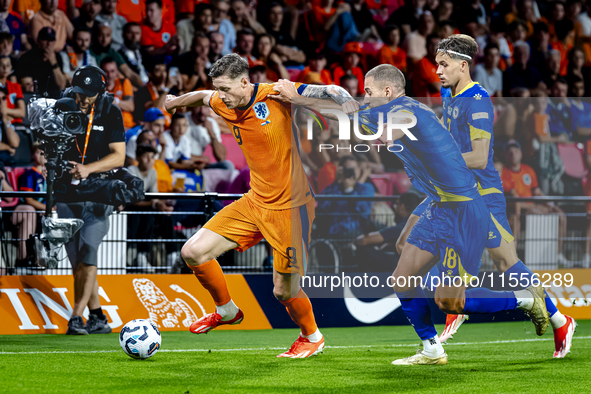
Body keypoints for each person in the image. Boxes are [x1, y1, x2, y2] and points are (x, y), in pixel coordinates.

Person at [273, 64, 549, 365]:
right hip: (438, 205)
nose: (365, 98)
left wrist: (297, 98)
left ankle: (526, 299)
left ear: (388, 92)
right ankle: (431, 349)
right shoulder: (392, 113)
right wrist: (299, 94)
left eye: (369, 92)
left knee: (449, 302)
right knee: (402, 280)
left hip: (462, 212)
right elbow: (344, 114)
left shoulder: (406, 111)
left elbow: (345, 117)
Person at [165, 53, 356, 358]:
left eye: (226, 89)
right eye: (219, 89)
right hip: (255, 202)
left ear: (245, 82)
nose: (221, 97)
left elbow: (330, 92)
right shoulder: (221, 100)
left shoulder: (277, 94)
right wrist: (174, 102)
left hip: (291, 208)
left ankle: (313, 336)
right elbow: (202, 96)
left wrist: (347, 104)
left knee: (283, 291)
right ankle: (226, 310)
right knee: (192, 252)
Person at [397, 35, 574, 358]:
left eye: (443, 64)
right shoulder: (447, 91)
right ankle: (447, 312)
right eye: (436, 63)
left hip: (480, 193)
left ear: (463, 66)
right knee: (403, 244)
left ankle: (559, 319)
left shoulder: (478, 101)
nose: (436, 70)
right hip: (450, 190)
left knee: (507, 261)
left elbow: (479, 157)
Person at [55, 65, 126, 335]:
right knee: (78, 260)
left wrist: (88, 168)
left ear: (101, 92)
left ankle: (76, 317)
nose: (83, 99)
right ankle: (98, 317)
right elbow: (48, 143)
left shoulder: (110, 112)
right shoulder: (62, 107)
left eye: (89, 94)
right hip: (66, 192)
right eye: (79, 93)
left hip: (98, 194)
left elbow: (119, 157)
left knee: (89, 252)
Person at [11, 143, 48, 267]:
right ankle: (23, 258)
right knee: (29, 211)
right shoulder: (29, 175)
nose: (42, 155)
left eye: (44, 153)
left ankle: (43, 259)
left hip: (45, 212)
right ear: (33, 155)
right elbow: (28, 200)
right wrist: (47, 208)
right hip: (26, 210)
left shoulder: (51, 177)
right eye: (39, 152)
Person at [16, 27, 67, 98]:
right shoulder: (27, 58)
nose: (48, 43)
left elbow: (61, 84)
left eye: (51, 40)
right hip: (34, 96)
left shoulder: (58, 57)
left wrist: (54, 63)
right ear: (38, 41)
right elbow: (27, 85)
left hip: (53, 96)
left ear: (55, 42)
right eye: (45, 39)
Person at [101, 56, 135, 129]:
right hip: (106, 127)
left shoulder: (123, 83)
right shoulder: (98, 87)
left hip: (126, 126)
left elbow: (130, 106)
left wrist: (114, 101)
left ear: (117, 71)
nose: (109, 75)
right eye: (106, 71)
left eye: (112, 71)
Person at [0, 56, 25, 124]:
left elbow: (22, 112)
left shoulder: (16, 86)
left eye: (7, 65)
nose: (5, 68)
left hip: (16, 125)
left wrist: (6, 111)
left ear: (11, 67)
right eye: (2, 65)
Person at [0, 86, 20, 166]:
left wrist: (5, 121)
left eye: (3, 98)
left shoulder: (5, 119)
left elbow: (15, 143)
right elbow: (11, 147)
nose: (1, 102)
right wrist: (8, 148)